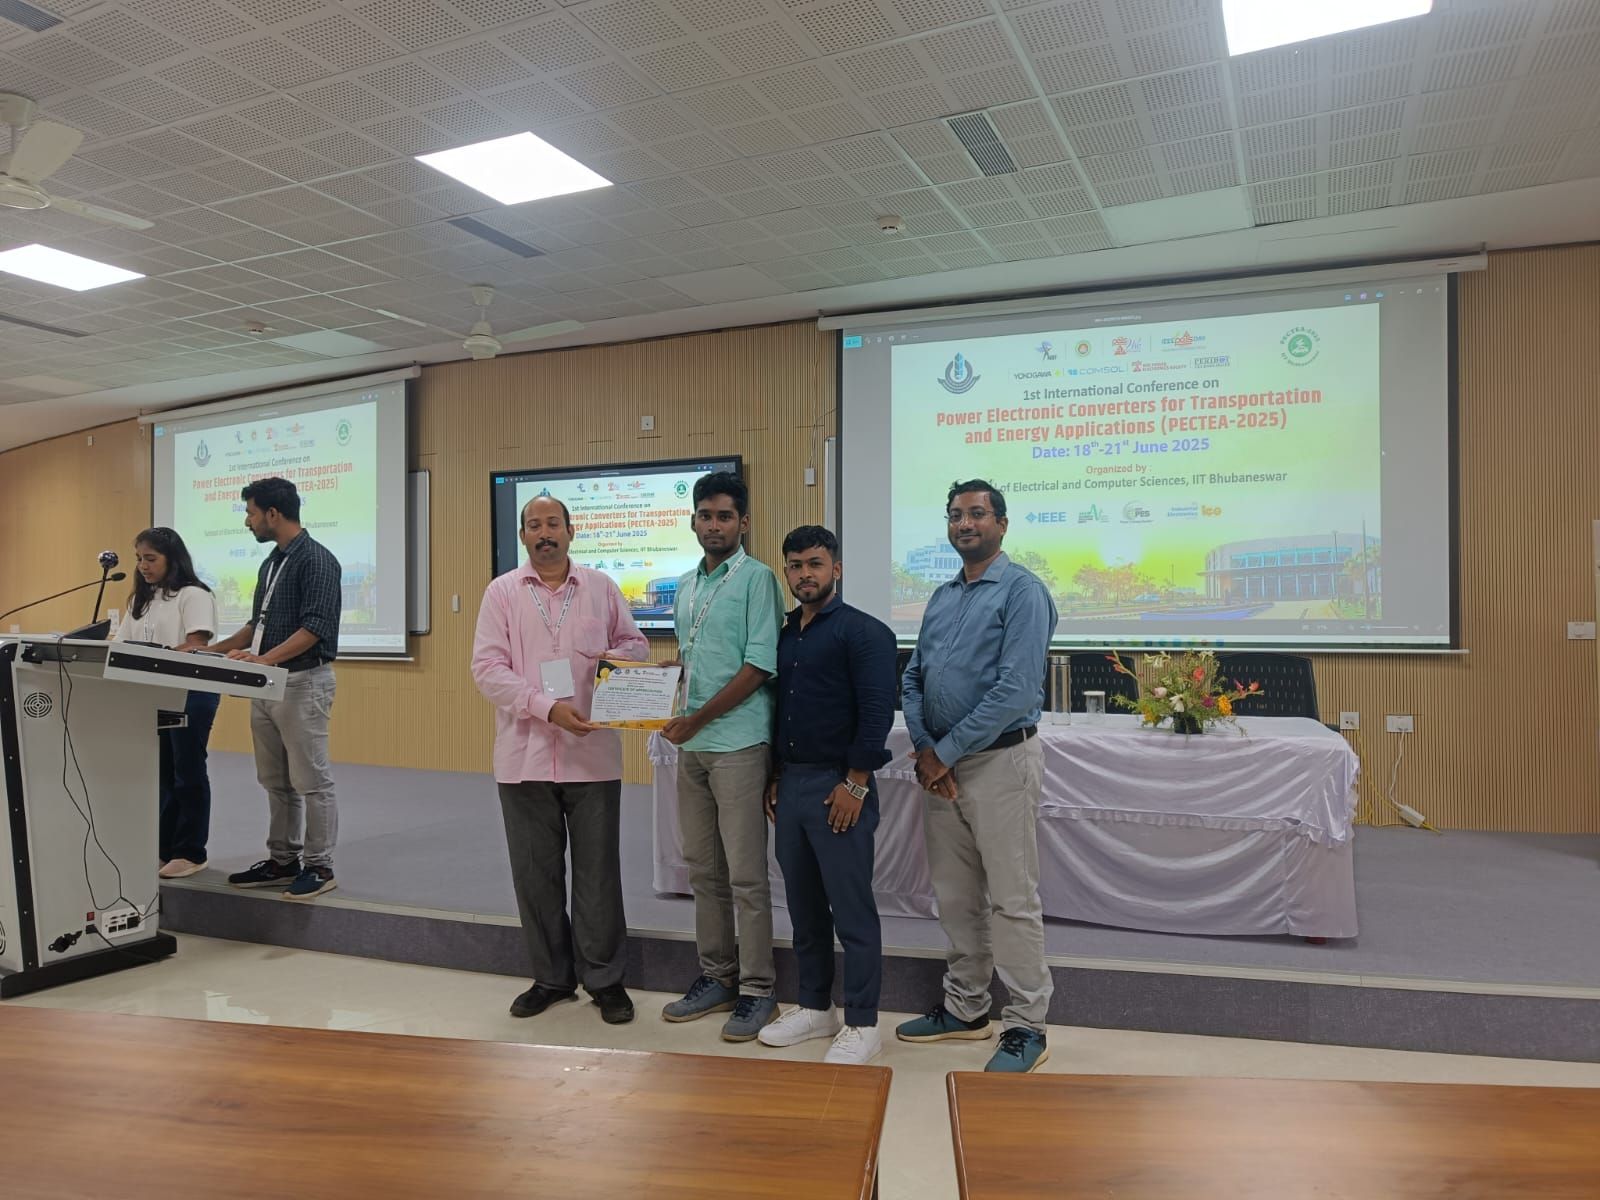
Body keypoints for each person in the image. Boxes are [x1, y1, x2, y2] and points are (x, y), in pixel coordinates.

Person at [896, 479, 1057, 1073]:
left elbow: (1015, 689)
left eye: (977, 514)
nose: (965, 523)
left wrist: (945, 752)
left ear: (1002, 524)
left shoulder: (1023, 592)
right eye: (955, 515)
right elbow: (913, 677)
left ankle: (1027, 1024)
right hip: (942, 767)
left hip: (999, 763)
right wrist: (926, 748)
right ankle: (966, 1008)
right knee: (956, 896)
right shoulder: (942, 597)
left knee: (1012, 900)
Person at [471, 494, 649, 1025]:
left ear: (572, 531)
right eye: (534, 525)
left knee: (598, 875)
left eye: (553, 523)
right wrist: (546, 707)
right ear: (523, 536)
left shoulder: (600, 587)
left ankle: (606, 981)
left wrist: (616, 661)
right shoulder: (502, 592)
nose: (544, 533)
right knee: (535, 875)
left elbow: (635, 643)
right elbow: (487, 669)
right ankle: (551, 978)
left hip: (592, 755)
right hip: (524, 756)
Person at [759, 526, 896, 1065]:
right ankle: (816, 1006)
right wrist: (776, 776)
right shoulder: (785, 633)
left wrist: (856, 782)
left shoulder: (865, 633)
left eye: (815, 564)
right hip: (792, 782)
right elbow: (781, 711)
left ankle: (863, 1021)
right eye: (795, 566)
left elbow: (876, 713)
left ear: (836, 568)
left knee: (851, 909)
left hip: (841, 784)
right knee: (804, 906)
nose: (804, 575)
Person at [659, 470, 784, 1041]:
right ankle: (717, 977)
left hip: (738, 744)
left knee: (746, 876)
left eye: (725, 516)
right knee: (703, 871)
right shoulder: (687, 585)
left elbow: (759, 666)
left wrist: (698, 718)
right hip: (695, 747)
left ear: (743, 523)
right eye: (706, 515)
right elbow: (694, 657)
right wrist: (663, 679)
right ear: (693, 521)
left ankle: (759, 990)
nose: (715, 525)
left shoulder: (758, 580)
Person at [207, 477, 343, 901]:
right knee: (274, 779)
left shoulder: (317, 560)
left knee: (311, 780)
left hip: (303, 681)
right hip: (267, 683)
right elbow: (256, 625)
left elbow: (315, 628)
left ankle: (320, 866)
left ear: (272, 513)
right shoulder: (271, 562)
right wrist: (207, 651)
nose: (247, 522)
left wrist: (265, 660)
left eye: (250, 513)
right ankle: (283, 860)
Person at [115, 527, 220, 880]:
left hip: (192, 691)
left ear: (172, 559)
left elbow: (197, 645)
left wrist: (156, 658)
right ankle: (165, 848)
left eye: (151, 558)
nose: (143, 566)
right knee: (162, 774)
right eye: (139, 559)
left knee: (187, 771)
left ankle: (191, 852)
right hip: (154, 693)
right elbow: (122, 644)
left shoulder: (193, 595)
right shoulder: (140, 600)